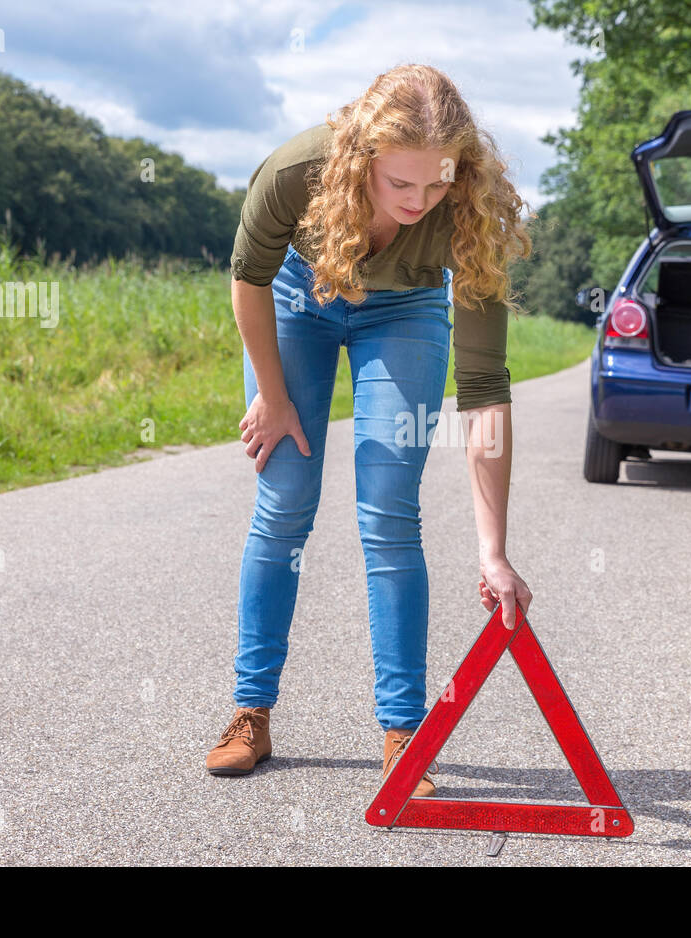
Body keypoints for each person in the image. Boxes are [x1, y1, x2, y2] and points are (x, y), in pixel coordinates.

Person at [207, 64, 534, 797]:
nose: (421, 202)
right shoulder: (297, 170)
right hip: (299, 296)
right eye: (401, 185)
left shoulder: (471, 209)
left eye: (437, 184)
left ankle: (403, 737)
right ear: (364, 159)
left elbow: (483, 390)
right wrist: (272, 394)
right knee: (284, 499)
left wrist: (493, 551)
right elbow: (247, 277)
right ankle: (251, 713)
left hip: (405, 312)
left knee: (389, 509)